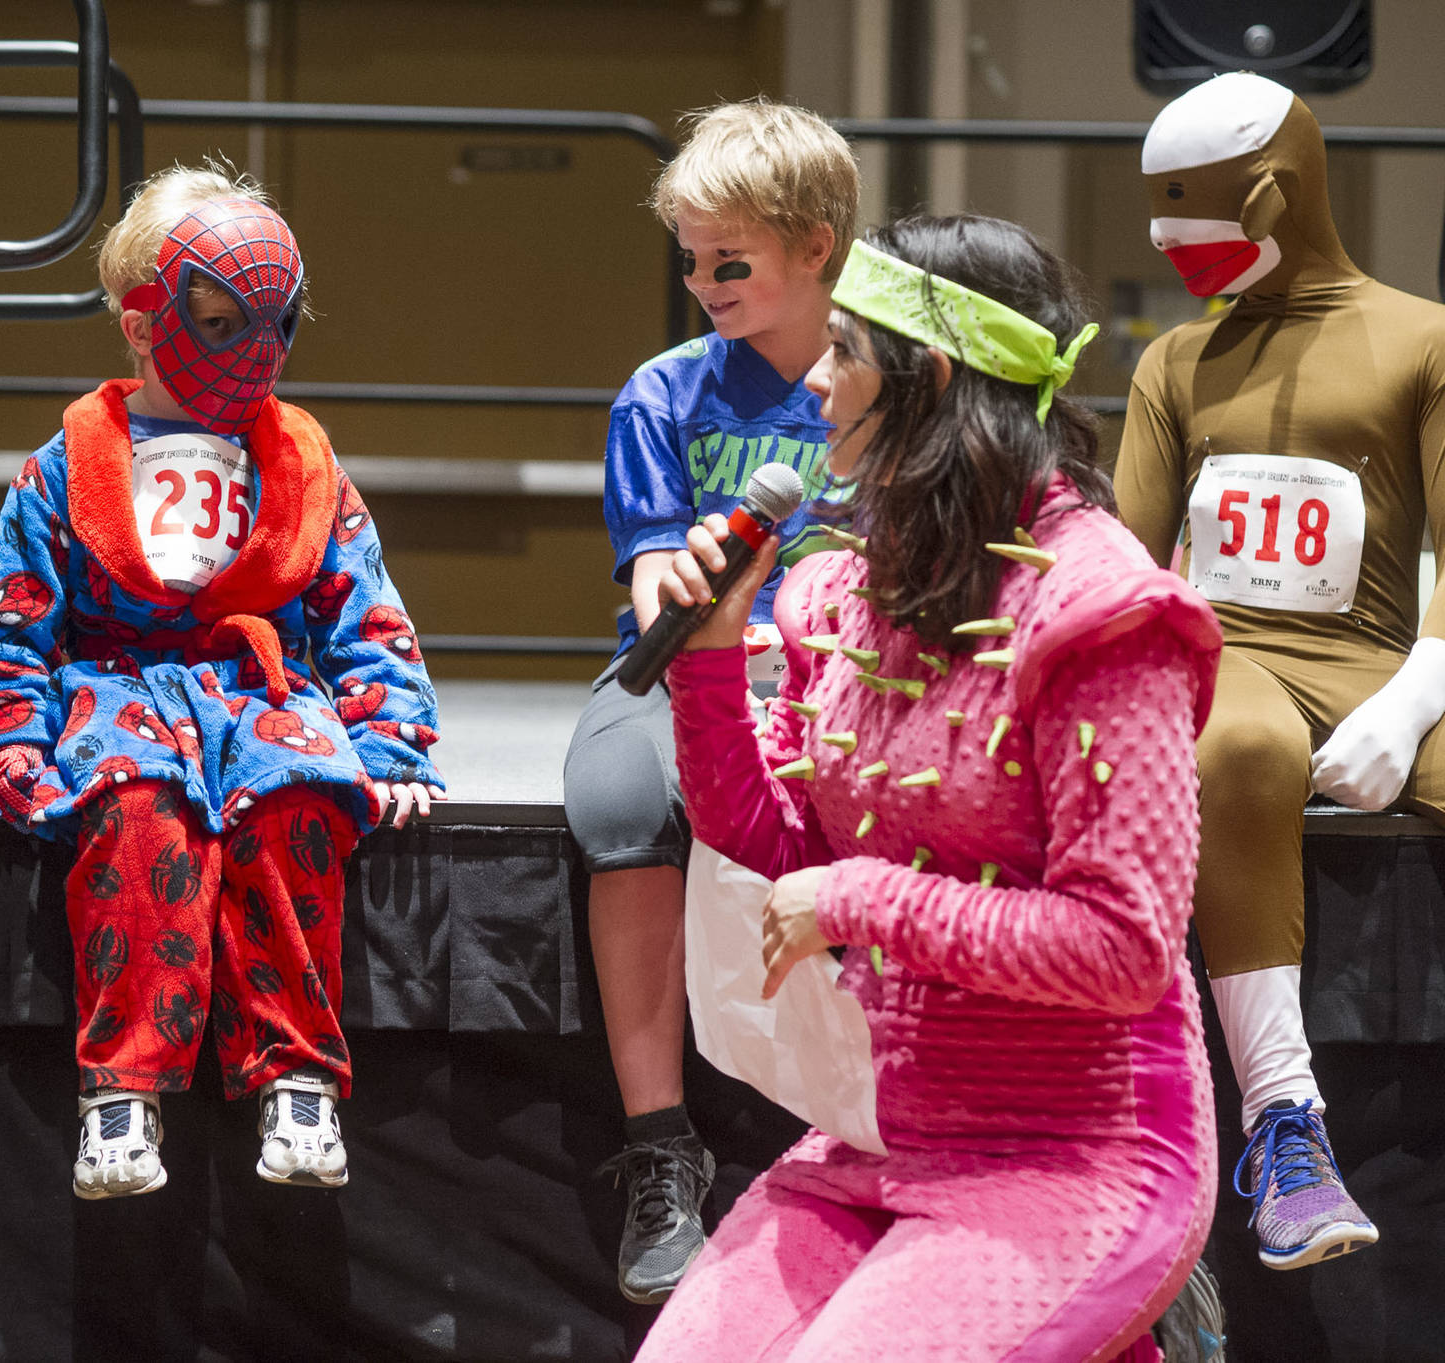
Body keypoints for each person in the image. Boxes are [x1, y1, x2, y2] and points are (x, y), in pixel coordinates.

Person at [635, 215, 1222, 1360]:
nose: (810, 378)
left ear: (928, 376)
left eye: (841, 349)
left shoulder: (1101, 613)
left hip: (1078, 1152)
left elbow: (1123, 944)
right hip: (872, 1135)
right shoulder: (846, 591)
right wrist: (706, 655)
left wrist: (860, 900)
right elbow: (766, 837)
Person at [0, 162, 444, 1200]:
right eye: (220, 321)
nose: (252, 351)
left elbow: (359, 601)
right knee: (135, 813)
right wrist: (9, 734)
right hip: (121, 687)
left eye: (273, 323)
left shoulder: (301, 461)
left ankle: (297, 1072)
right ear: (143, 323)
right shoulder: (70, 460)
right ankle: (122, 1089)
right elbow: (15, 609)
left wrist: (390, 732)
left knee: (295, 803)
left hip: (254, 690)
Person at [1116, 72, 1445, 1283]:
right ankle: (1282, 1129)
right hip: (1228, 661)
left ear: (1273, 194)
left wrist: (1405, 705)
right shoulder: (1172, 363)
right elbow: (1126, 559)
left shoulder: (1426, 340)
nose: (1171, 249)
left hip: (1380, 664)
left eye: (1190, 223)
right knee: (1239, 751)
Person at [562, 98, 857, 1303]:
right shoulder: (661, 394)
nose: (700, 282)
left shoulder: (891, 385)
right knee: (619, 794)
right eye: (687, 259)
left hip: (850, 676)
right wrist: (698, 624)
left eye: (726, 260)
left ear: (817, 245)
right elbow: (648, 590)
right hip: (694, 663)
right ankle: (657, 1146)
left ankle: (873, 1127)